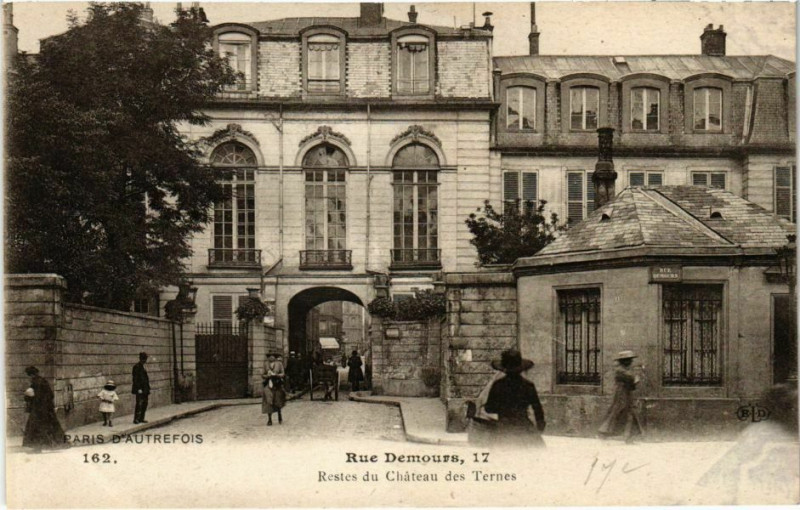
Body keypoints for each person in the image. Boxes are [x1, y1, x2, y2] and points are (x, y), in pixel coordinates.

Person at [482, 349, 546, 448]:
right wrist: (539, 426)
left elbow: (489, 408)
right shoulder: (528, 385)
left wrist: (502, 408)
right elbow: (537, 409)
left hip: (503, 429)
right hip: (523, 428)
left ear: (504, 368)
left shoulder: (498, 385)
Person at [598, 350, 644, 443]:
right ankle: (604, 432)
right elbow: (631, 379)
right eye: (629, 360)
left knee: (629, 413)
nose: (631, 362)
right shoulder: (620, 371)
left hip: (626, 393)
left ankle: (628, 437)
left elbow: (632, 383)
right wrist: (637, 376)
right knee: (618, 412)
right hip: (621, 394)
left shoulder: (624, 370)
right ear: (624, 361)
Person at [22, 366, 66, 450]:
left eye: (28, 375)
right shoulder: (43, 380)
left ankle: (40, 445)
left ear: (31, 375)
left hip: (38, 409)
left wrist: (28, 396)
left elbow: (34, 397)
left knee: (36, 427)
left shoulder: (35, 383)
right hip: (48, 409)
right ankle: (58, 443)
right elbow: (51, 395)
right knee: (52, 425)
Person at [262, 353, 286, 426]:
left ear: (275, 357)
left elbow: (283, 373)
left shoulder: (279, 364)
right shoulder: (266, 364)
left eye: (272, 356)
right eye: (269, 357)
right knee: (268, 401)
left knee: (277, 401)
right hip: (268, 384)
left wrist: (277, 375)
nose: (271, 358)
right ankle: (269, 419)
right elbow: (262, 374)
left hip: (277, 384)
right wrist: (267, 375)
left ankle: (279, 416)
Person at [131, 352, 150, 424]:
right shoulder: (136, 367)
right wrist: (138, 388)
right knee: (139, 404)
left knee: (145, 403)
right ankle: (136, 419)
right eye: (144, 359)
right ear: (141, 359)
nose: (145, 360)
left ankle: (142, 418)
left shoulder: (143, 366)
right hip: (140, 389)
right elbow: (135, 379)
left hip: (145, 389)